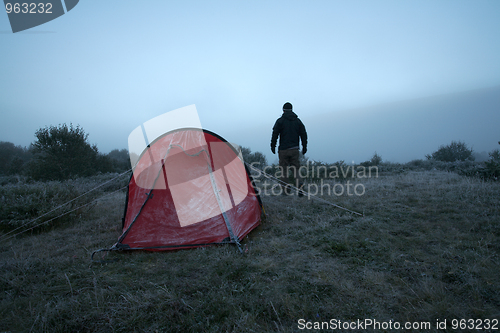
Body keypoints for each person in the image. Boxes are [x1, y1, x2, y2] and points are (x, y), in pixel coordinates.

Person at [271, 102, 308, 195]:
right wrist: (304, 146)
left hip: (283, 150)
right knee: (295, 169)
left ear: (283, 110)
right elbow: (303, 134)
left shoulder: (280, 121)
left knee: (284, 171)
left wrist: (273, 145)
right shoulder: (298, 121)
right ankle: (300, 185)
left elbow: (275, 134)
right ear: (292, 110)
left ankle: (286, 191)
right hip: (295, 149)